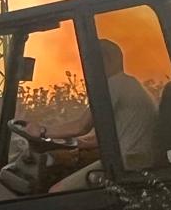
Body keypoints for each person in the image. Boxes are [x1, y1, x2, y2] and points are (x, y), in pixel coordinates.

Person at [42, 39, 159, 191]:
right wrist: (76, 143)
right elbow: (109, 136)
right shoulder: (131, 84)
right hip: (134, 160)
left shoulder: (114, 84)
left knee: (56, 191)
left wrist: (42, 130)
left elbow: (81, 126)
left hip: (126, 164)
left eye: (91, 62)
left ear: (107, 60)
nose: (88, 69)